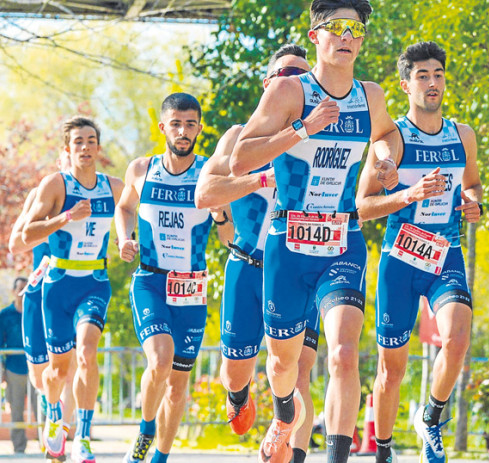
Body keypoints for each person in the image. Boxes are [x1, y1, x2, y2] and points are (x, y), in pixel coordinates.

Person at [230, 1, 401, 462]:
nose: (347, 36)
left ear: (361, 39)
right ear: (316, 36)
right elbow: (240, 158)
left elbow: (387, 133)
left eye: (355, 29)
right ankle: (285, 414)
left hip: (342, 240)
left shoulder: (371, 96)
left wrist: (384, 162)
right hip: (288, 243)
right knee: (284, 363)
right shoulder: (290, 92)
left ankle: (336, 457)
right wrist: (302, 129)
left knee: (344, 353)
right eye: (336, 28)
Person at [355, 41, 483, 463]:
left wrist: (473, 202)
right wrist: (407, 194)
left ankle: (431, 418)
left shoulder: (462, 135)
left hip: (446, 253)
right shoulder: (392, 139)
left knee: (458, 338)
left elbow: (474, 184)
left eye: (438, 75)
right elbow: (362, 208)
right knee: (392, 370)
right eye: (423, 76)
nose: (432, 83)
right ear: (405, 83)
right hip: (401, 259)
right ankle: (384, 449)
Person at [194, 43, 319, 463]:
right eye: (285, 73)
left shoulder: (321, 136)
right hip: (248, 266)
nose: (294, 82)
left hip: (302, 266)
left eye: (302, 75)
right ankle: (239, 397)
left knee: (298, 370)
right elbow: (204, 194)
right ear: (268, 84)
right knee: (236, 371)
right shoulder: (237, 138)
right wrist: (257, 179)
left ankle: (290, 443)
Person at [115, 92, 232, 463]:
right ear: (163, 127)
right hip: (151, 280)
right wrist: (124, 239)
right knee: (160, 360)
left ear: (199, 127)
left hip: (192, 287)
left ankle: (160, 456)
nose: (183, 131)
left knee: (179, 384)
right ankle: (146, 427)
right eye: (176, 124)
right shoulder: (141, 169)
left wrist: (219, 215)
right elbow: (124, 207)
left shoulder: (210, 174)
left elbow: (229, 239)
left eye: (191, 124)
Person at [23, 116, 124, 463]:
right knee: (58, 370)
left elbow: (134, 217)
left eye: (91, 141)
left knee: (87, 352)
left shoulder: (114, 187)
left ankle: (82, 435)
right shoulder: (55, 185)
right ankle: (54, 414)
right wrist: (67, 217)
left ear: (98, 147)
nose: (85, 147)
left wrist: (129, 242)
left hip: (95, 282)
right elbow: (27, 235)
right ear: (67, 149)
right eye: (78, 142)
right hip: (59, 285)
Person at [9, 149, 79, 449]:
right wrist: (58, 221)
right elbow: (15, 243)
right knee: (41, 380)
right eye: (68, 163)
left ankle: (64, 437)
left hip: (77, 286)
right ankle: (55, 418)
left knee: (73, 366)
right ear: (59, 163)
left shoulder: (94, 196)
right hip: (39, 287)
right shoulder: (40, 194)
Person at [0, 277, 39, 453]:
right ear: (14, 291)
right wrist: (0, 370)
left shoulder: (35, 311)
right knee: (16, 410)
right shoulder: (5, 314)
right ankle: (19, 447)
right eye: (20, 289)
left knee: (41, 410)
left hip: (37, 368)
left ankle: (47, 445)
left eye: (26, 288)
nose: (23, 292)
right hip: (14, 369)